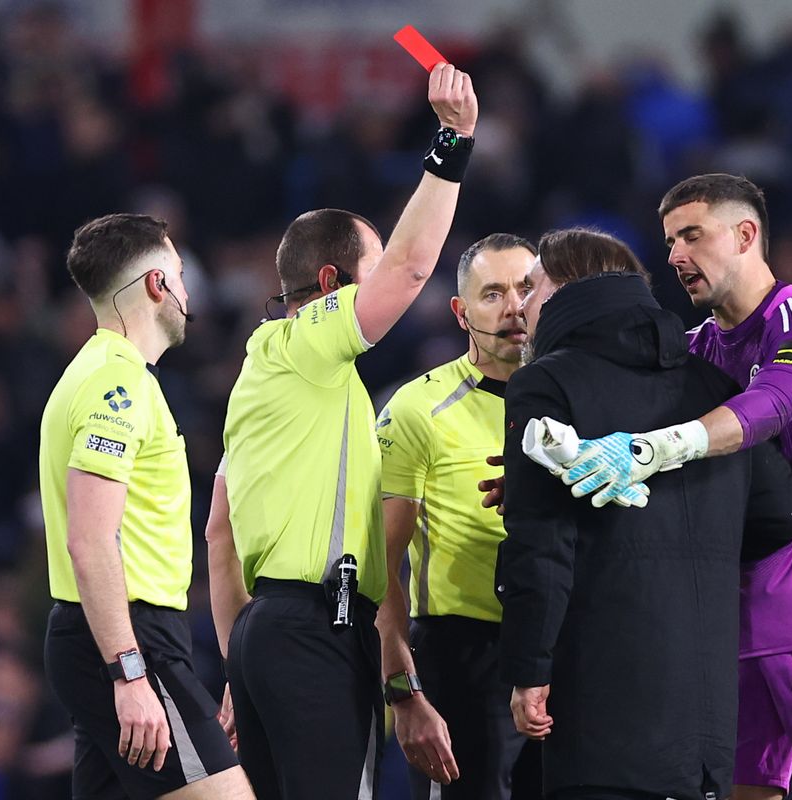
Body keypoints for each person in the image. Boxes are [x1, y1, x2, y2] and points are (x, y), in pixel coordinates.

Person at [539, 175, 792, 800]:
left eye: (692, 236)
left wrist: (653, 448)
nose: (675, 256)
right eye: (670, 240)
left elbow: (770, 405)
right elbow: (625, 431)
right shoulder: (698, 348)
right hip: (734, 612)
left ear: (746, 234)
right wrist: (544, 476)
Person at [209, 63, 478, 800]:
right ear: (330, 286)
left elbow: (219, 536)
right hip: (314, 630)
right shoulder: (307, 344)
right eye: (372, 264)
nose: (385, 276)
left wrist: (238, 662)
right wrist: (452, 139)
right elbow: (416, 266)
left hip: (266, 630)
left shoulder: (262, 381)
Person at [500, 227, 792, 800]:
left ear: (569, 289)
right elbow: (786, 512)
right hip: (706, 734)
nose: (521, 305)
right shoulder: (715, 385)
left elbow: (538, 548)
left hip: (601, 719)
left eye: (532, 284)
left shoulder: (546, 382)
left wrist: (528, 671)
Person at [39, 213, 254, 799]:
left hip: (107, 635)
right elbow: (89, 539)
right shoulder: (120, 384)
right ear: (157, 286)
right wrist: (130, 674)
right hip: (129, 639)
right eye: (180, 276)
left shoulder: (91, 373)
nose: (188, 293)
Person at [375, 233, 541, 799]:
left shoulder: (578, 399)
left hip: (564, 648)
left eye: (526, 288)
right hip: (464, 657)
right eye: (492, 294)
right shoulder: (417, 409)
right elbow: (380, 565)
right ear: (460, 312)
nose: (514, 307)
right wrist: (404, 691)